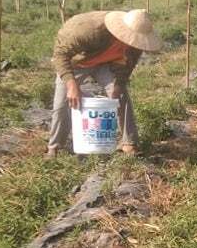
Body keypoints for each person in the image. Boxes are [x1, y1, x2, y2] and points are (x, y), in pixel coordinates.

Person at [47, 9, 162, 158]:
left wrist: (118, 86)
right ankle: (55, 147)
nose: (132, 42)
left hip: (106, 64)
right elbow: (60, 54)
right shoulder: (90, 31)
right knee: (62, 103)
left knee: (121, 96)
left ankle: (129, 143)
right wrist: (71, 84)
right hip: (76, 62)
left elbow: (127, 66)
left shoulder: (136, 43)